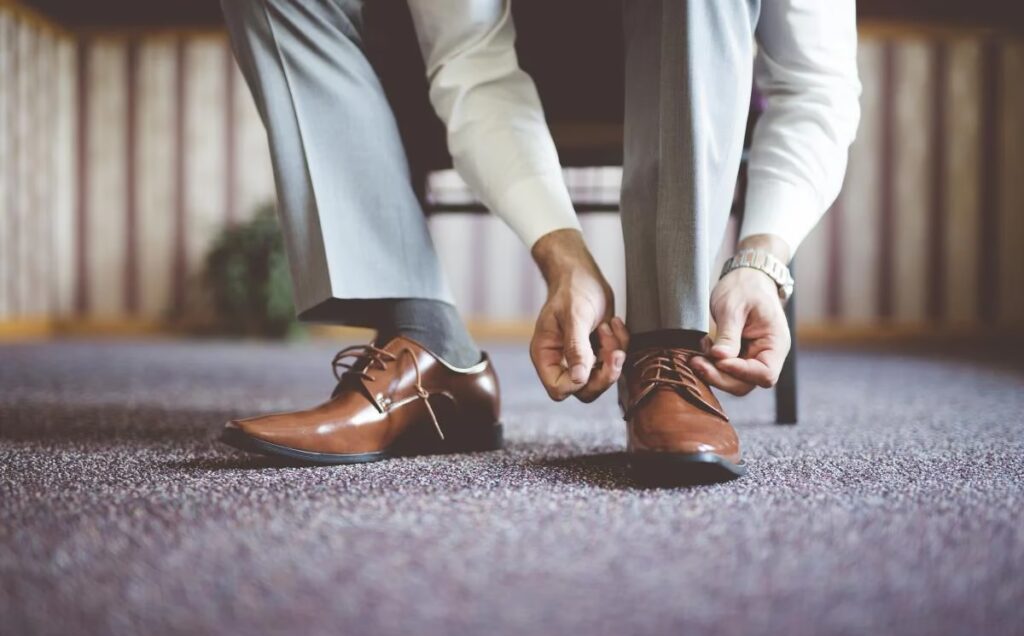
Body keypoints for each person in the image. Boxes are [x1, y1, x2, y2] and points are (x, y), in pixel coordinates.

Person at [219, 0, 859, 481]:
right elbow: (472, 62)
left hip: (690, 57)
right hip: (481, 55)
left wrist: (761, 261)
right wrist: (563, 259)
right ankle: (429, 348)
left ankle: (669, 346)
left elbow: (815, 85)